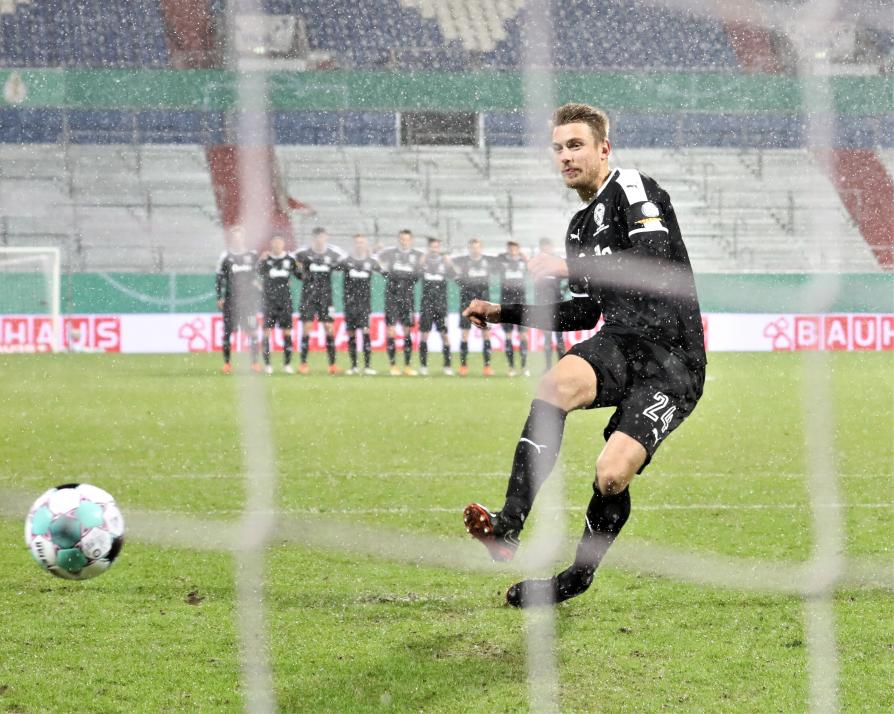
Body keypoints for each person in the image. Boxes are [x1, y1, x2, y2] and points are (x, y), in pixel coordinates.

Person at [461, 102, 706, 608]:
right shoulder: (578, 226)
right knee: (554, 385)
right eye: (558, 148)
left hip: (673, 360)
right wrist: (501, 312)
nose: (566, 156)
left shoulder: (632, 189)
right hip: (620, 343)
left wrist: (571, 266)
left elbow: (653, 263)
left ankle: (576, 576)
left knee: (611, 475)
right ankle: (507, 526)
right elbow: (581, 313)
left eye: (576, 145)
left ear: (603, 149)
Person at [295, 227, 344, 375]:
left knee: (329, 328)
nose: (319, 240)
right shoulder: (304, 253)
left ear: (326, 238)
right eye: (317, 237)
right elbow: (291, 262)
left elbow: (345, 261)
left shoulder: (333, 253)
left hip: (325, 297)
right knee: (307, 328)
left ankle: (332, 365)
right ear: (313, 238)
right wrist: (298, 272)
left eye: (322, 237)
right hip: (308, 296)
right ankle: (303, 364)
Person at [377, 229, 423, 376]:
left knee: (407, 331)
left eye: (407, 239)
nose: (404, 242)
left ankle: (407, 366)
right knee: (390, 330)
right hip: (391, 296)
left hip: (407, 297)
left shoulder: (417, 256)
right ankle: (393, 365)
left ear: (411, 240)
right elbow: (378, 263)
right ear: (399, 239)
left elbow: (418, 276)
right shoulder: (390, 254)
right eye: (402, 239)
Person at [215, 226, 261, 374]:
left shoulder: (252, 255)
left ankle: (254, 363)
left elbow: (258, 275)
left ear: (243, 238)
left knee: (252, 332)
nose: (237, 239)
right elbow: (219, 279)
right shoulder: (226, 257)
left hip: (248, 302)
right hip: (231, 300)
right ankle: (227, 364)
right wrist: (219, 297)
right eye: (234, 237)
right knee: (228, 332)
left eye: (239, 236)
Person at [257, 235, 302, 374]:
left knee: (287, 332)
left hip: (285, 301)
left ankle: (287, 364)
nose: (277, 245)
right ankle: (268, 365)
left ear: (283, 244)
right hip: (269, 301)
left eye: (279, 242)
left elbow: (300, 276)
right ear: (271, 244)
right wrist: (260, 261)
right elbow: (257, 273)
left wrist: (301, 267)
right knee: (266, 333)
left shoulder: (289, 259)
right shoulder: (266, 259)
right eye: (275, 242)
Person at [338, 233, 381, 375]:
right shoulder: (346, 261)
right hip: (349, 303)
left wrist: (378, 255)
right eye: (357, 242)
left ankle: (367, 366)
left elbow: (384, 272)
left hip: (364, 303)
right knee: (351, 333)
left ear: (365, 244)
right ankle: (354, 366)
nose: (359, 245)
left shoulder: (371, 261)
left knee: (365, 331)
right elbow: (332, 267)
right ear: (354, 244)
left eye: (362, 242)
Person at [452, 238, 495, 376]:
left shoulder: (488, 261)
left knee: (486, 334)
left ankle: (487, 367)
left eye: (477, 247)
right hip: (467, 304)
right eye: (472, 247)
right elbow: (450, 264)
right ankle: (463, 366)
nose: (475, 250)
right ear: (469, 248)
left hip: (483, 305)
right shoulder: (463, 262)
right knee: (465, 335)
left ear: (481, 248)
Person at [418, 237, 455, 376]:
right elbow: (414, 274)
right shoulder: (424, 262)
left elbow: (454, 276)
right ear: (429, 248)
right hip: (426, 304)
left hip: (440, 305)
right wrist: (421, 261)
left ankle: (447, 366)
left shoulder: (444, 263)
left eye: (437, 247)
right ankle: (423, 366)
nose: (435, 249)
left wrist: (450, 264)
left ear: (439, 248)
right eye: (432, 247)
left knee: (445, 336)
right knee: (424, 335)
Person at [497, 240, 529, 378]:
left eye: (515, 249)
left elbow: (533, 268)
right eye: (510, 249)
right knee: (508, 336)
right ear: (507, 250)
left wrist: (526, 258)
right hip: (506, 304)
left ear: (519, 249)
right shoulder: (502, 262)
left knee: (523, 336)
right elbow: (494, 263)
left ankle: (523, 366)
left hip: (521, 305)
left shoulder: (523, 263)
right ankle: (511, 367)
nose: (513, 251)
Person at [534, 238, 567, 371]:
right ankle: (547, 367)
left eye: (548, 247)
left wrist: (563, 292)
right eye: (543, 247)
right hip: (543, 305)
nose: (546, 250)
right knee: (547, 338)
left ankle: (561, 366)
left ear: (551, 247)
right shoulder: (537, 263)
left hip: (557, 304)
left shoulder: (557, 262)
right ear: (541, 248)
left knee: (559, 337)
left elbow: (568, 276)